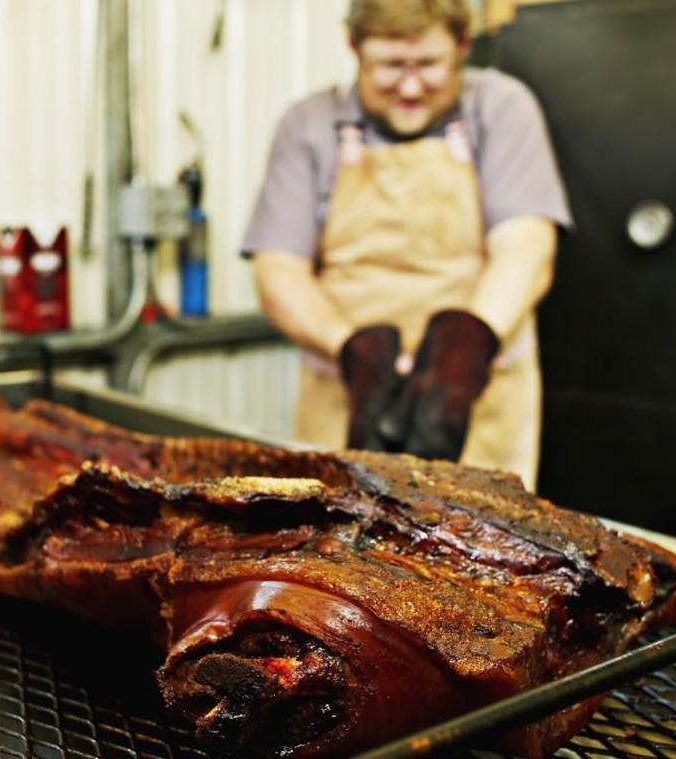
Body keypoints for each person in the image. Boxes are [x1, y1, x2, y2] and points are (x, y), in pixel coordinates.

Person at [243, 0, 571, 489]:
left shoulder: (501, 108)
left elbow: (525, 247)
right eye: (391, 67)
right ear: (354, 48)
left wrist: (468, 344)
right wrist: (351, 349)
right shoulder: (308, 125)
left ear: (462, 45)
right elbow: (279, 271)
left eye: (430, 65)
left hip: (480, 402)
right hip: (344, 398)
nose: (412, 86)